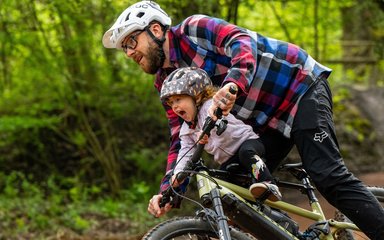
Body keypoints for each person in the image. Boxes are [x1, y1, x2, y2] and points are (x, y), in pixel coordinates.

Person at [102, 1, 384, 238]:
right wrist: (169, 191)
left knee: (328, 176)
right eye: (124, 48)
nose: (128, 53)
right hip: (264, 122)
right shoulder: (166, 82)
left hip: (299, 89)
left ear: (155, 30)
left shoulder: (193, 29)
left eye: (131, 42)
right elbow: (181, 137)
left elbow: (240, 40)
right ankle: (287, 231)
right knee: (232, 187)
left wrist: (233, 83)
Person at [160, 66, 282, 203]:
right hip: (229, 160)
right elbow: (185, 151)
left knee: (246, 153)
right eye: (171, 103)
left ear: (197, 96)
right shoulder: (186, 129)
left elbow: (220, 118)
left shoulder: (210, 106)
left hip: (248, 143)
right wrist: (177, 174)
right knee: (219, 184)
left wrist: (208, 128)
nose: (174, 106)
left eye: (178, 99)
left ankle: (268, 184)